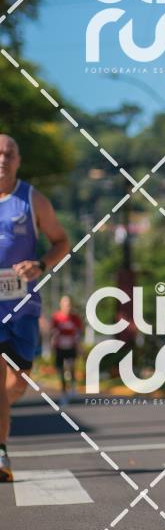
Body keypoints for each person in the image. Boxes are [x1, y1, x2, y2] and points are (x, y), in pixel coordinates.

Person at [0, 135, 70, 481]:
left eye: (9, 153)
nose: (2, 159)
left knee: (18, 381)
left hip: (23, 306)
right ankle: (1, 453)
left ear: (18, 160)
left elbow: (62, 242)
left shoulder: (32, 199)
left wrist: (40, 265)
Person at [50, 295, 83, 403]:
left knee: (71, 367)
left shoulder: (75, 318)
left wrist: (80, 347)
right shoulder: (56, 317)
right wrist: (52, 345)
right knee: (61, 371)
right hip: (60, 348)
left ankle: (73, 387)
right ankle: (64, 393)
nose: (67, 307)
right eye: (65, 304)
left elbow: (78, 334)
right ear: (61, 305)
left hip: (71, 347)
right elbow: (53, 333)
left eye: (69, 305)